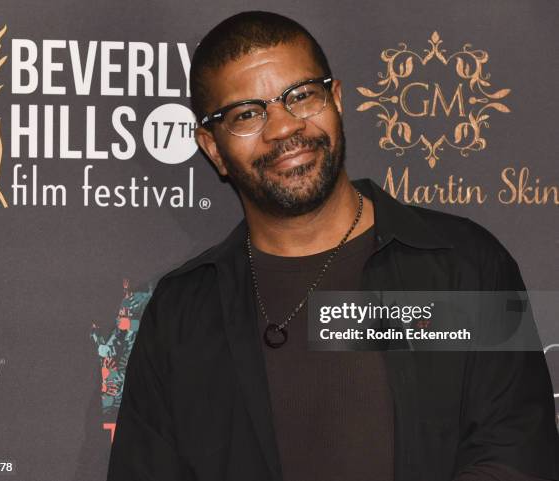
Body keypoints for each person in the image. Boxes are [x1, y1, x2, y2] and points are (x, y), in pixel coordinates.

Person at [106, 11, 559, 481]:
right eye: (246, 114)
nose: (282, 128)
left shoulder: (462, 265)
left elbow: (515, 456)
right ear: (213, 147)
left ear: (336, 99)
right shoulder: (182, 313)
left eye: (301, 95)